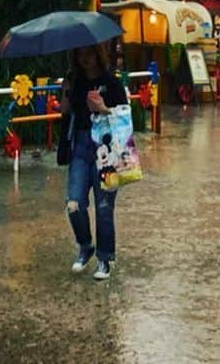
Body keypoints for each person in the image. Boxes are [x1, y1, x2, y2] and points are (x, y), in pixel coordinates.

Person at [57, 42, 128, 281]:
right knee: (74, 203)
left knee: (104, 207)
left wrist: (103, 108)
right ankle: (85, 245)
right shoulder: (74, 81)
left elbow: (125, 115)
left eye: (89, 53)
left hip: (106, 148)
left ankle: (105, 258)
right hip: (80, 146)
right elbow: (66, 111)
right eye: (80, 53)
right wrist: (65, 94)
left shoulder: (112, 82)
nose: (85, 58)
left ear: (98, 54)